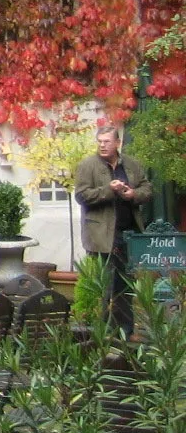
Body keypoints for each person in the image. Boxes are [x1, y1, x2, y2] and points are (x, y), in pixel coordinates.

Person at [75, 124, 154, 337]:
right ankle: (104, 333)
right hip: (101, 235)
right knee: (105, 286)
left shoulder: (132, 164)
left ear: (117, 143)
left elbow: (147, 190)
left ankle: (125, 331)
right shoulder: (87, 165)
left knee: (126, 284)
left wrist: (132, 194)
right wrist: (108, 190)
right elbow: (82, 196)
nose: (102, 145)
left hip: (129, 234)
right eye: (99, 141)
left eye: (106, 141)